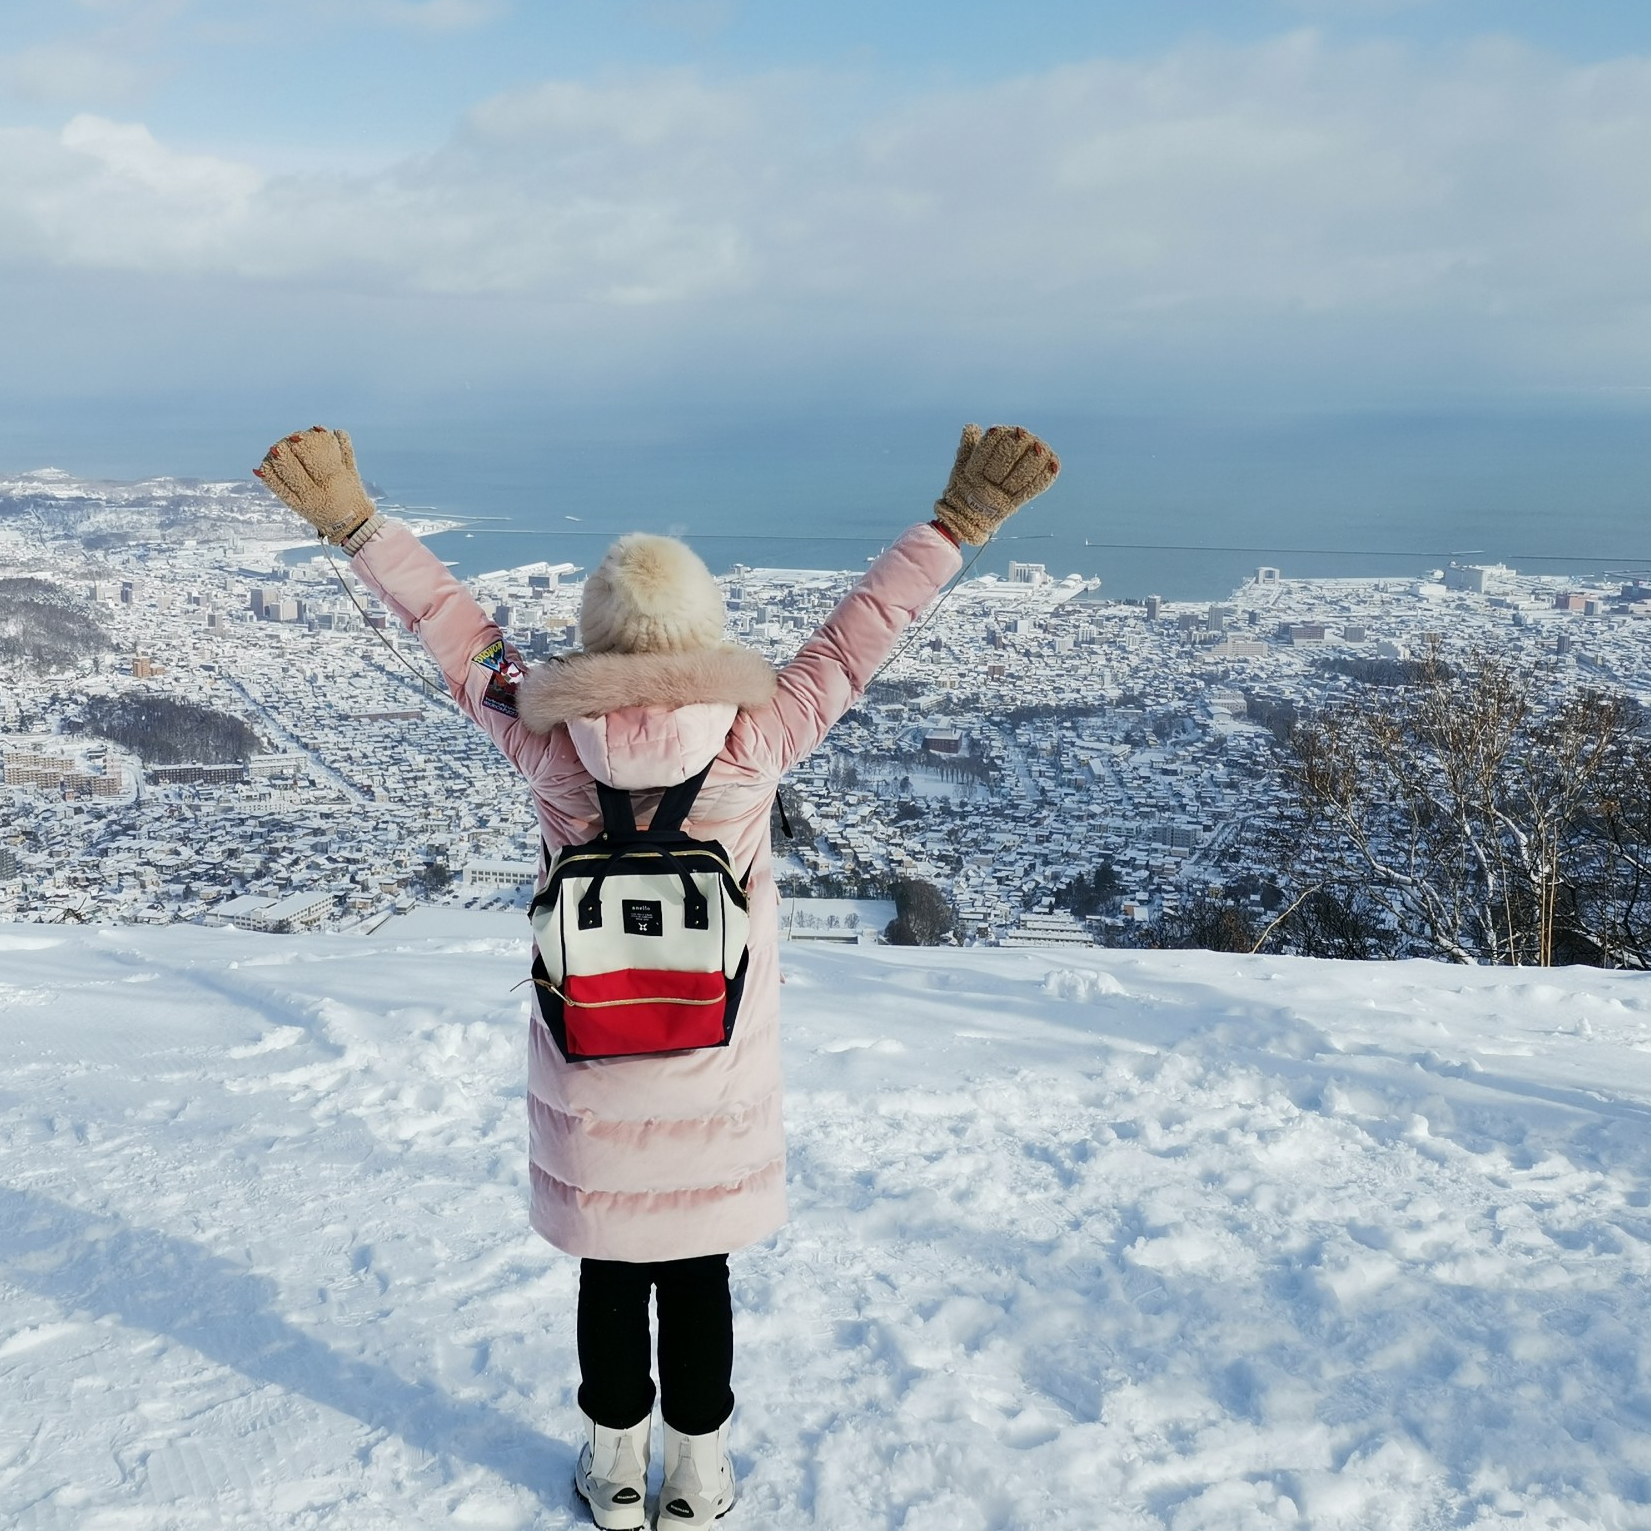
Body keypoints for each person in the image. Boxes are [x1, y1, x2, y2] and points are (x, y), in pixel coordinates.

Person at [255, 423, 1060, 1527]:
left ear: (592, 638)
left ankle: (616, 1469)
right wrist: (958, 520)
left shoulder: (547, 743)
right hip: (711, 1063)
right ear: (700, 633)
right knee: (694, 1273)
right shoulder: (755, 739)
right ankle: (699, 1476)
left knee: (608, 1273)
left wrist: (353, 520)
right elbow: (858, 636)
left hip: (591, 1063)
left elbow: (459, 636)